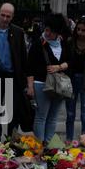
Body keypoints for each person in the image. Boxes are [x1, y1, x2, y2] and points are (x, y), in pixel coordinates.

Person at [0, 3, 34, 142]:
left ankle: (12, 140)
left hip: (13, 75)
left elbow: (24, 58)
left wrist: (28, 83)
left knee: (13, 110)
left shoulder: (18, 32)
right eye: (3, 15)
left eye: (8, 16)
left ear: (12, 17)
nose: (5, 19)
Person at [28, 13, 71, 143]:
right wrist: (30, 87)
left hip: (59, 85)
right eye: (46, 29)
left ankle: (49, 143)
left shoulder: (64, 43)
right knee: (41, 116)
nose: (47, 33)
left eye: (50, 31)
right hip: (41, 83)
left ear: (58, 32)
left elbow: (71, 62)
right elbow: (29, 67)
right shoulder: (38, 44)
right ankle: (39, 144)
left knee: (53, 117)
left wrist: (59, 67)